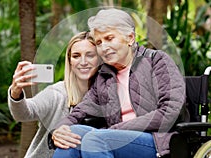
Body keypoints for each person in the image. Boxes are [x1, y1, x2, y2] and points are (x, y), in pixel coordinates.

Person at [51, 8, 188, 158]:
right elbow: (79, 112)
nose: (103, 47)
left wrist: (116, 130)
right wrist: (59, 129)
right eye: (99, 42)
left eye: (109, 38)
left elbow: (170, 111)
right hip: (113, 138)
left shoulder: (157, 61)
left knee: (95, 139)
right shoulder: (104, 76)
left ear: (130, 38)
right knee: (72, 135)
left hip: (158, 140)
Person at [8, 31, 100, 158]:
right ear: (70, 61)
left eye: (90, 55)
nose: (83, 62)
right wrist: (15, 93)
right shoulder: (57, 93)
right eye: (76, 56)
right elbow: (24, 113)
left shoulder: (108, 95)